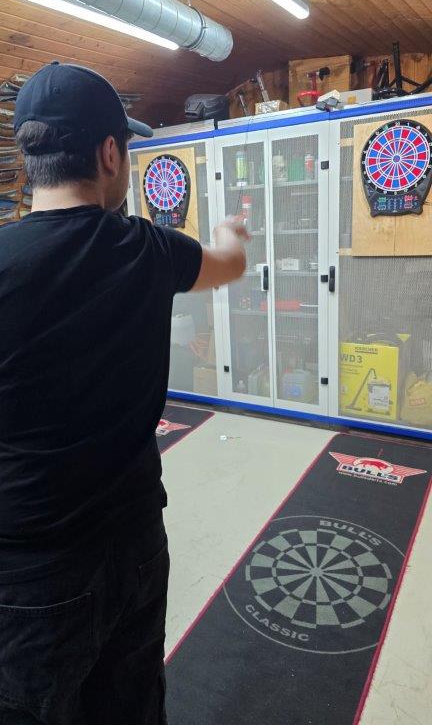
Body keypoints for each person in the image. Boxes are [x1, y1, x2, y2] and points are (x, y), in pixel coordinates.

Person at [0, 62, 249, 725]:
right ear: (109, 153)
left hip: (32, 572)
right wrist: (232, 232)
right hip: (135, 541)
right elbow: (229, 263)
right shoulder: (147, 249)